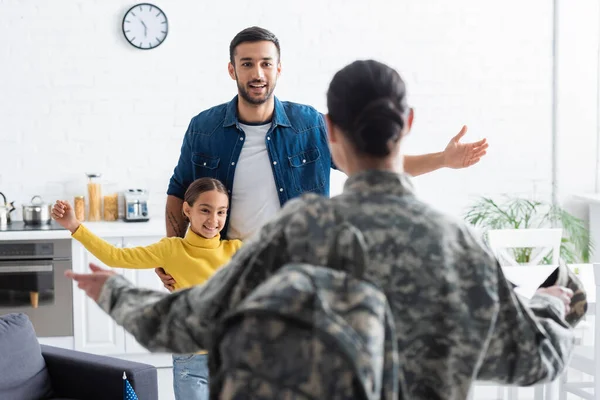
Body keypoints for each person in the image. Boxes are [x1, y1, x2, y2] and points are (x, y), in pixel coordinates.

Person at [66, 59, 574, 399]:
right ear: (410, 122)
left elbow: (184, 325)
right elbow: (534, 360)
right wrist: (558, 298)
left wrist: (112, 290)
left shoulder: (295, 233)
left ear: (329, 130)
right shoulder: (457, 243)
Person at [157, 25, 489, 290]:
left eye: (265, 63)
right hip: (223, 272)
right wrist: (174, 254)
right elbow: (178, 190)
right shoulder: (204, 128)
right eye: (247, 64)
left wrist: (443, 159)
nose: (257, 72)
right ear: (232, 70)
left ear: (278, 69)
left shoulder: (308, 123)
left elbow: (377, 165)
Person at [52, 177, 241, 400]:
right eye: (205, 210)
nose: (213, 219)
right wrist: (75, 226)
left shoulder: (236, 250)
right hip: (191, 358)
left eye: (221, 212)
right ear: (187, 210)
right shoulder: (171, 249)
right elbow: (115, 256)